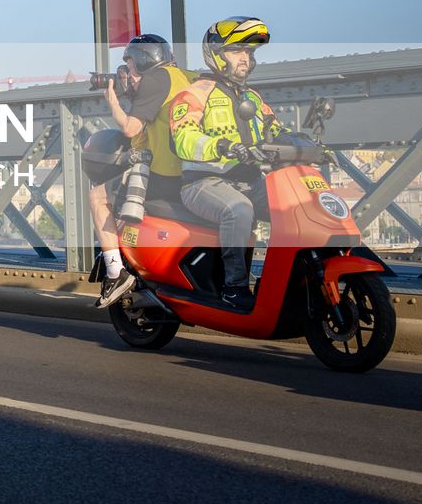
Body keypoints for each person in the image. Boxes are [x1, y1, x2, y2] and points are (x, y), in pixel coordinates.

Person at [171, 17, 284, 311]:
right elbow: (182, 137)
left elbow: (277, 130)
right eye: (237, 52)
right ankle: (234, 288)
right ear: (217, 55)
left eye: (249, 53)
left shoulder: (253, 98)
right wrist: (220, 146)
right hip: (203, 183)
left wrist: (309, 146)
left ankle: (286, 282)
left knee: (291, 209)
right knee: (239, 210)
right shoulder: (196, 93)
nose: (245, 59)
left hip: (249, 181)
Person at [90, 34, 195, 308]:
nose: (129, 71)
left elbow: (130, 129)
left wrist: (113, 100)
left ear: (145, 59)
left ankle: (116, 272)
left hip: (166, 175)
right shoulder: (186, 76)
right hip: (195, 172)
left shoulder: (155, 79)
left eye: (131, 63)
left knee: (98, 196)